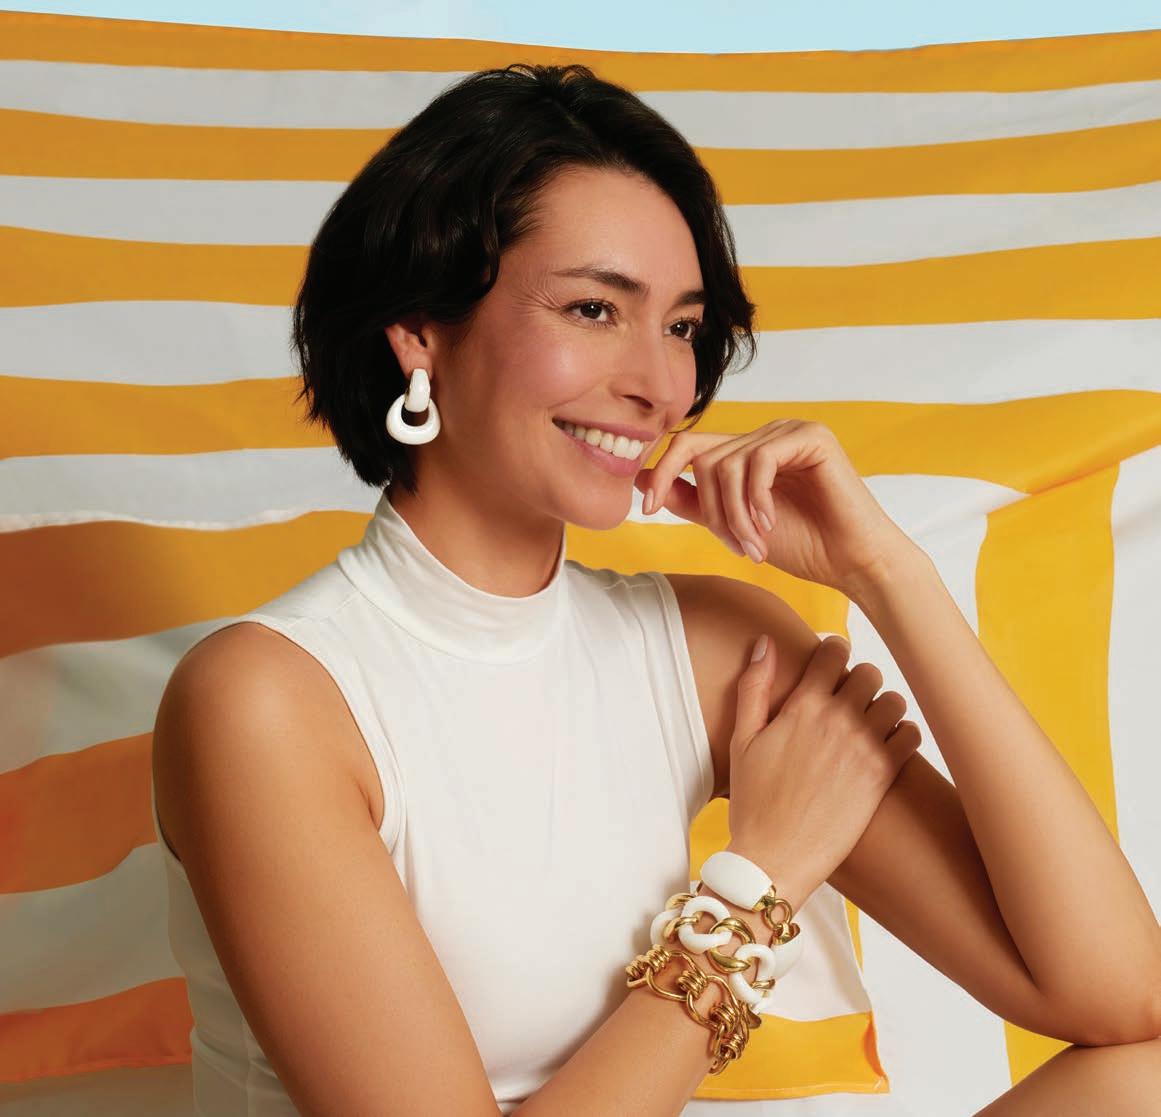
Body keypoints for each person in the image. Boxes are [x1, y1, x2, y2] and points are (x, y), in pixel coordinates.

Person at [150, 63, 1161, 1117]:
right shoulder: (268, 703)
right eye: (594, 308)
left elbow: (1120, 995)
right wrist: (755, 887)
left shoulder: (708, 647)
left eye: (680, 326)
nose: (658, 384)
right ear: (421, 331)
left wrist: (885, 569)